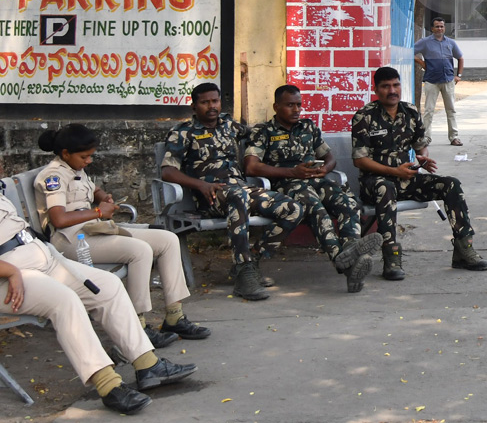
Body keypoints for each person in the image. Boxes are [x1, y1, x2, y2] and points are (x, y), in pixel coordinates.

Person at [0, 171, 195, 414]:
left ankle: (147, 365)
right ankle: (108, 385)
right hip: (10, 276)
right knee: (64, 301)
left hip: (39, 257)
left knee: (108, 285)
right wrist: (11, 271)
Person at [34, 124, 210, 349]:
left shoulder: (75, 168)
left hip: (92, 231)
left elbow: (90, 188)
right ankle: (137, 326)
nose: (89, 161)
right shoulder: (53, 176)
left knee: (167, 240)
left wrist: (102, 196)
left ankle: (174, 317)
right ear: (66, 153)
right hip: (69, 240)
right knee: (140, 251)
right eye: (84, 157)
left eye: (91, 156)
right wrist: (98, 212)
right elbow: (59, 219)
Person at [160, 82, 309, 301]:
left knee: (293, 208)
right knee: (238, 196)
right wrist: (200, 185)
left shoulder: (229, 125)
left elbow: (258, 135)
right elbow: (167, 171)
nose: (212, 106)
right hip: (211, 196)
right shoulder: (183, 133)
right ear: (194, 106)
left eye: (215, 101)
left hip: (241, 190)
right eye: (205, 102)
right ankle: (244, 273)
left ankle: (250, 264)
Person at [351, 66, 487, 280]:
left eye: (396, 85)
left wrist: (422, 158)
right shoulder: (365, 116)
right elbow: (360, 160)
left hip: (407, 178)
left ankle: (464, 250)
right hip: (375, 183)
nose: (392, 90)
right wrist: (393, 171)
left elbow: (420, 145)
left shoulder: (410, 112)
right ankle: (392, 258)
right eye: (386, 86)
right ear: (376, 90)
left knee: (451, 184)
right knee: (385, 187)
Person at [243, 85, 382, 292]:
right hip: (287, 184)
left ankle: (351, 248)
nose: (296, 110)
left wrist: (325, 169)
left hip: (315, 180)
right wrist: (292, 172)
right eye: (290, 105)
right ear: (276, 107)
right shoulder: (263, 131)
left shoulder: (308, 127)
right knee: (318, 211)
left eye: (299, 105)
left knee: (347, 203)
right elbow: (251, 167)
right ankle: (346, 264)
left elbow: (329, 157)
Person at [413, 16, 465, 146]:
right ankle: (426, 138)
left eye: (442, 26)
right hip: (431, 81)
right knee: (429, 111)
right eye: (437, 26)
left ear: (444, 28)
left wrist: (458, 75)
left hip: (448, 80)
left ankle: (454, 137)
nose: (439, 29)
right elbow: (410, 51)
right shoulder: (425, 42)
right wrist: (421, 62)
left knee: (451, 110)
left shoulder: (450, 43)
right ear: (432, 28)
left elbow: (460, 58)